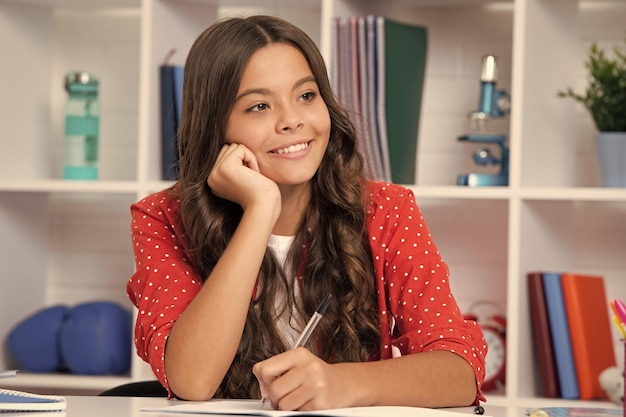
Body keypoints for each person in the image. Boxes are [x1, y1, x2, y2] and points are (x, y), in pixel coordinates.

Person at [126, 14, 487, 411]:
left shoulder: (386, 210)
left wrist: (341, 383)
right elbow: (192, 379)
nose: (293, 120)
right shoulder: (162, 218)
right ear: (216, 125)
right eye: (259, 106)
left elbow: (460, 371)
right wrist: (260, 210)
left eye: (306, 96)